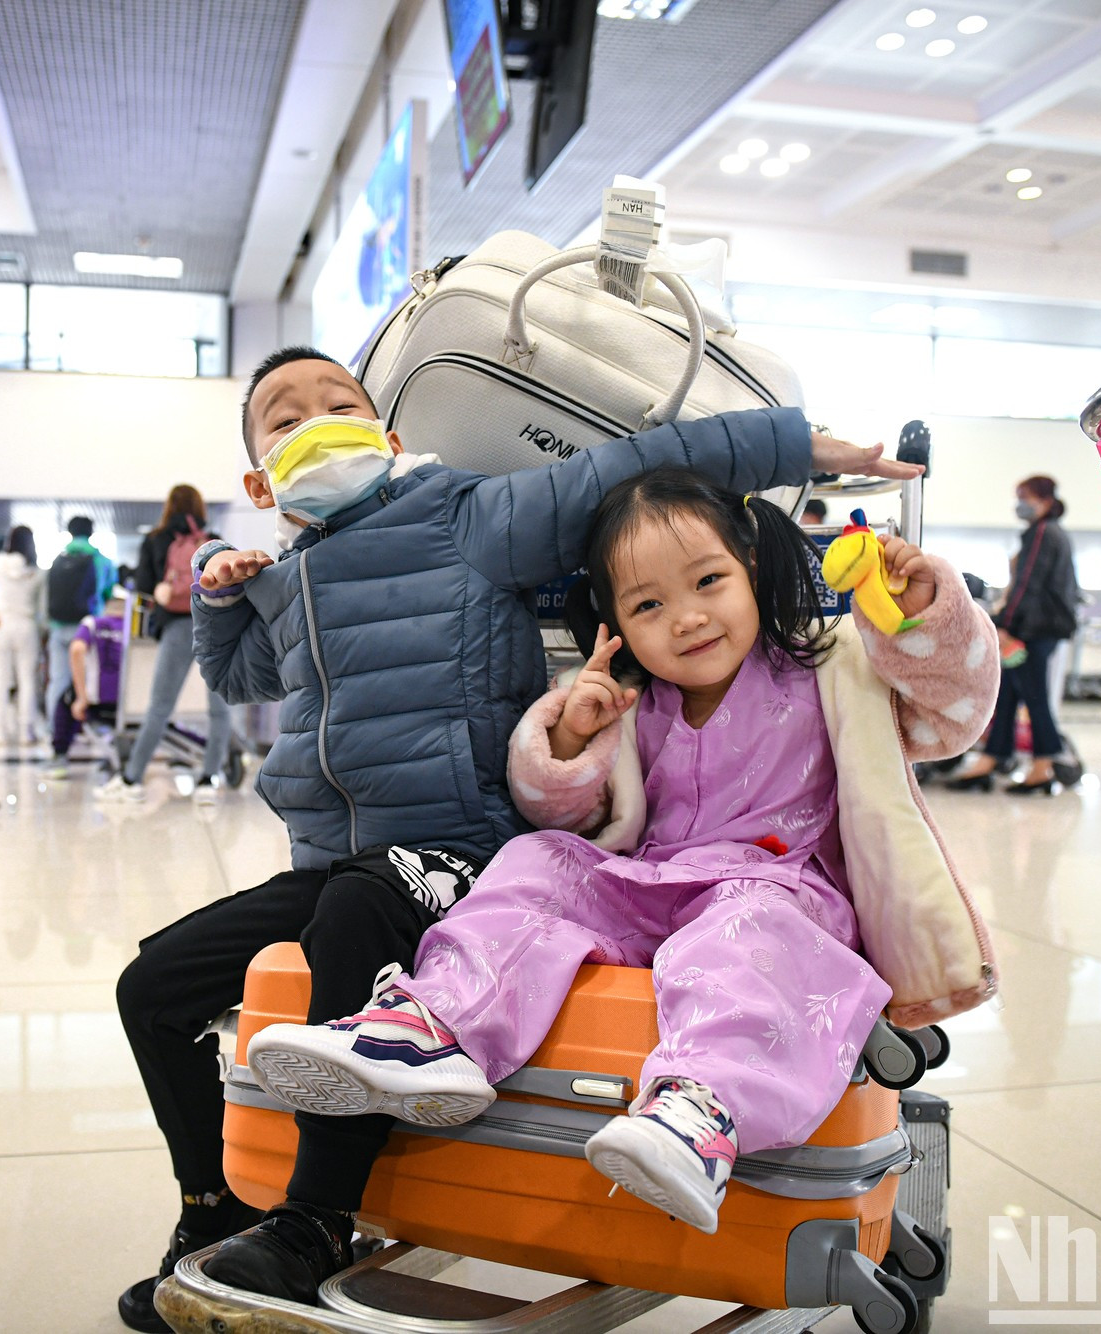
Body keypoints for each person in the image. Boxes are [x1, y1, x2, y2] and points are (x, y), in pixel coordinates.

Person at [110, 345, 917, 1328]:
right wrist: (220, 585)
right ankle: (212, 1208)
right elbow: (238, 675)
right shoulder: (286, 577)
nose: (316, 419)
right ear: (258, 477)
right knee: (152, 985)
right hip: (331, 862)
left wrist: (790, 444)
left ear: (387, 436)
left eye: (339, 402)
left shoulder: (466, 516)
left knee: (356, 914)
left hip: (455, 851)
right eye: (284, 417)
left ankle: (315, 1220)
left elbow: (629, 467)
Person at [246, 469, 994, 1236]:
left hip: (778, 890)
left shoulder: (828, 666)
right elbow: (567, 809)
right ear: (616, 626)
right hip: (652, 883)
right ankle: (433, 1027)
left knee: (746, 937)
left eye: (709, 581)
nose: (688, 619)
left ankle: (700, 1113)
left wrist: (923, 614)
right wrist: (571, 736)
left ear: (755, 570)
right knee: (540, 861)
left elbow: (951, 715)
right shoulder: (633, 701)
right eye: (648, 605)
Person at [95, 485, 232, 805]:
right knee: (219, 708)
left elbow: (143, 587)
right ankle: (209, 780)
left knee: (159, 706)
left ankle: (131, 780)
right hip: (214, 626)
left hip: (177, 627)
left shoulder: (156, 539)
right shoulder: (211, 538)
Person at [948, 474, 1079, 795]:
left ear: (1045, 501)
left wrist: (1003, 623)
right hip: (1038, 627)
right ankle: (993, 758)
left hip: (1033, 630)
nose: (1020, 504)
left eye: (1025, 496)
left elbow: (1027, 585)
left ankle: (1042, 767)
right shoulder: (1055, 534)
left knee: (1034, 697)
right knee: (1005, 693)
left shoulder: (1042, 534)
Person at [46, 515, 117, 746]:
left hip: (58, 627)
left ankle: (54, 730)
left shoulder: (58, 558)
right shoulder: (100, 560)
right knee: (86, 682)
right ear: (91, 532)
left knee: (58, 681)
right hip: (86, 629)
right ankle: (84, 730)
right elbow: (107, 593)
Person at [48, 592, 127, 779]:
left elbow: (77, 649)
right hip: (130, 703)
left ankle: (59, 756)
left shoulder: (93, 623)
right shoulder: (134, 627)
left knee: (66, 700)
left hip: (98, 702)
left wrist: (82, 697)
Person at [0, 525, 46, 749]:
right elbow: (41, 608)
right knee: (27, 681)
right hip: (26, 625)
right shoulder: (37, 571)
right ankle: (25, 733)